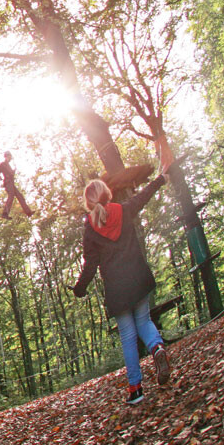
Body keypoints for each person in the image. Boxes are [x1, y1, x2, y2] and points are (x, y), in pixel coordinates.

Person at [73, 166, 174, 405]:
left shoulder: (90, 228)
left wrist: (80, 287)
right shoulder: (123, 210)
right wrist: (160, 179)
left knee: (128, 337)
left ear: (89, 202)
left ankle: (136, 390)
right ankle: (157, 348)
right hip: (138, 279)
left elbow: (90, 263)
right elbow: (143, 196)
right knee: (145, 322)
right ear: (107, 193)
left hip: (118, 291)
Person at [0, 151, 35, 219]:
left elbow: (10, 174)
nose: (10, 159)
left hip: (11, 184)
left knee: (20, 196)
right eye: (9, 157)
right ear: (6, 157)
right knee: (11, 195)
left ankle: (28, 212)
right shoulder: (2, 164)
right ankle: (5, 213)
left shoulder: (8, 165)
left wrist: (13, 172)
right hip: (8, 183)